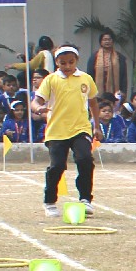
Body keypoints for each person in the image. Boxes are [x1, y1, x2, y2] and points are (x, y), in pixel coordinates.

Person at [30, 45, 97, 217]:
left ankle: (85, 198)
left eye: (71, 62)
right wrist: (38, 108)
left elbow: (93, 102)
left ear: (77, 61)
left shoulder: (86, 79)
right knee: (57, 166)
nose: (67, 66)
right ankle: (50, 201)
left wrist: (96, 125)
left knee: (85, 159)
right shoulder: (51, 80)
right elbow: (36, 101)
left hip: (80, 128)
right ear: (57, 63)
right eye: (63, 63)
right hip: (57, 130)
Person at [89, 30, 128, 100]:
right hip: (98, 92)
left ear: (112, 41)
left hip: (115, 92)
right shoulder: (94, 57)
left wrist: (123, 91)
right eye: (105, 40)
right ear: (101, 42)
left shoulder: (120, 57)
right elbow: (90, 75)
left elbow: (124, 76)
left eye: (109, 39)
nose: (107, 41)